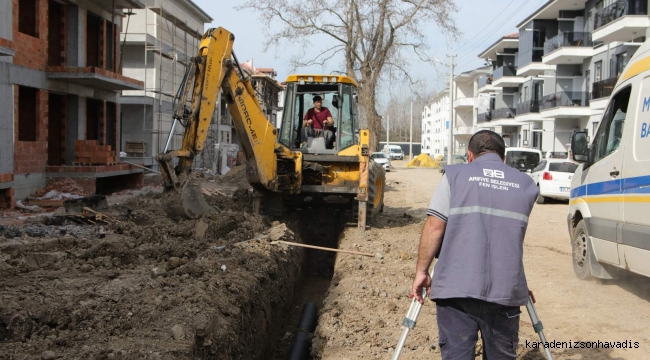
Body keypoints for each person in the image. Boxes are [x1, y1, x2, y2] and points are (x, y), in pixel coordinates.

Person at [410, 130, 538, 360]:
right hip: (505, 291)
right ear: (503, 158)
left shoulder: (454, 175)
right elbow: (508, 236)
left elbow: (434, 227)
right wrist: (517, 281)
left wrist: (421, 271)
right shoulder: (526, 184)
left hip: (457, 290)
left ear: (469, 155)